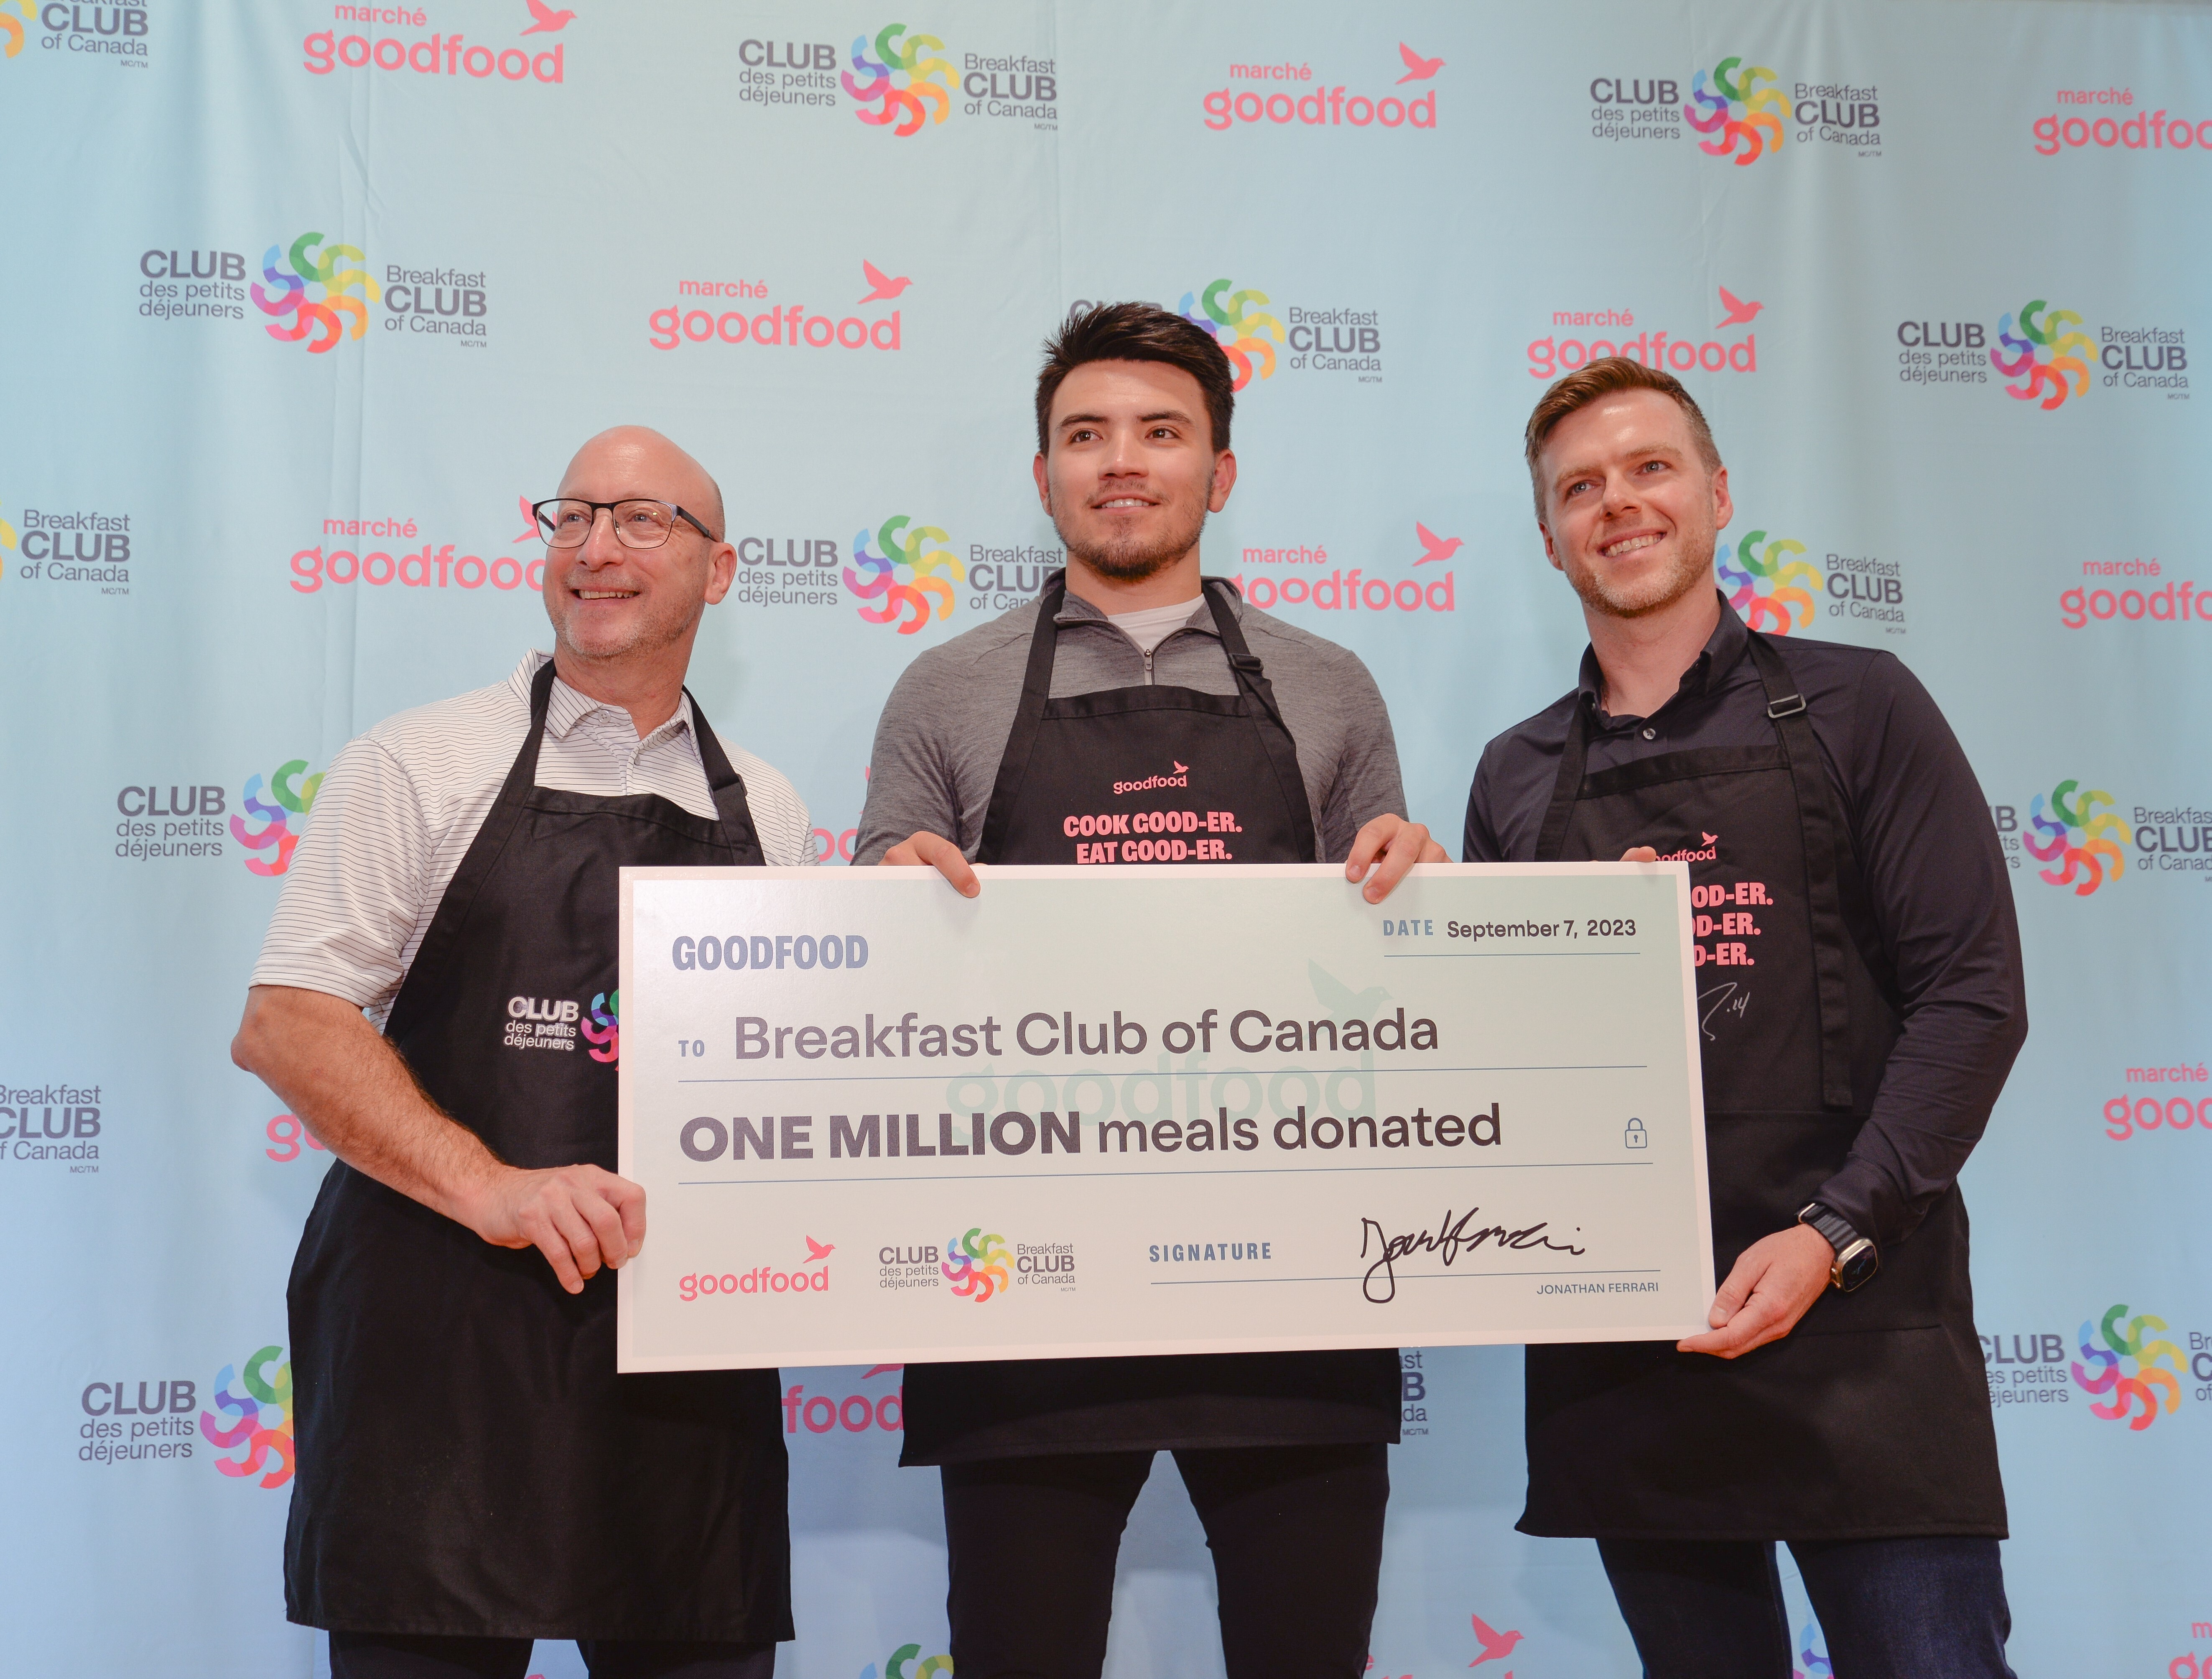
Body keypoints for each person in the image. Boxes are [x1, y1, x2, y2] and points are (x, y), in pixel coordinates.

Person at [853, 302, 1444, 1679]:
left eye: (1160, 432)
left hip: (1290, 1285)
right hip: (1020, 1287)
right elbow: (877, 958)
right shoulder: (944, 688)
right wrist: (883, 900)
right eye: (1086, 435)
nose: (1121, 462)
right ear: (1045, 471)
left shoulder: (1329, 685)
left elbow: (1381, 954)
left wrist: (1417, 882)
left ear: (1219, 473)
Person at [1463, 357, 2027, 1677]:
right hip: (1628, 1346)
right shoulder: (1515, 777)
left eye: (1650, 469)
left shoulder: (1861, 706)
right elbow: (1503, 1073)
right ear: (1548, 540)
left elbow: (1972, 996)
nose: (1619, 505)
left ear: (1716, 494)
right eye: (1580, 489)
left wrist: (1833, 1232)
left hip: (1862, 1317)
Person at [231, 427, 811, 1679]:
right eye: (573, 517)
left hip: (675, 1373)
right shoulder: (415, 761)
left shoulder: (766, 805)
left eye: (642, 521)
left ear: (719, 572)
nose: (597, 548)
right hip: (438, 1366)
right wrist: (493, 1189)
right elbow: (288, 1020)